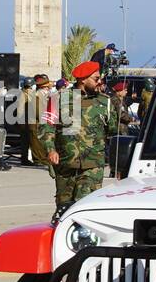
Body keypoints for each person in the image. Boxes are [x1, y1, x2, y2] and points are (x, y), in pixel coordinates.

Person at [43, 61, 125, 221]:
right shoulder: (59, 99)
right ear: (83, 80)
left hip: (93, 165)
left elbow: (114, 132)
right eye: (96, 79)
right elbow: (47, 128)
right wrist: (50, 150)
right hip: (66, 164)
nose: (100, 82)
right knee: (63, 209)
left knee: (85, 206)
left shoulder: (105, 102)